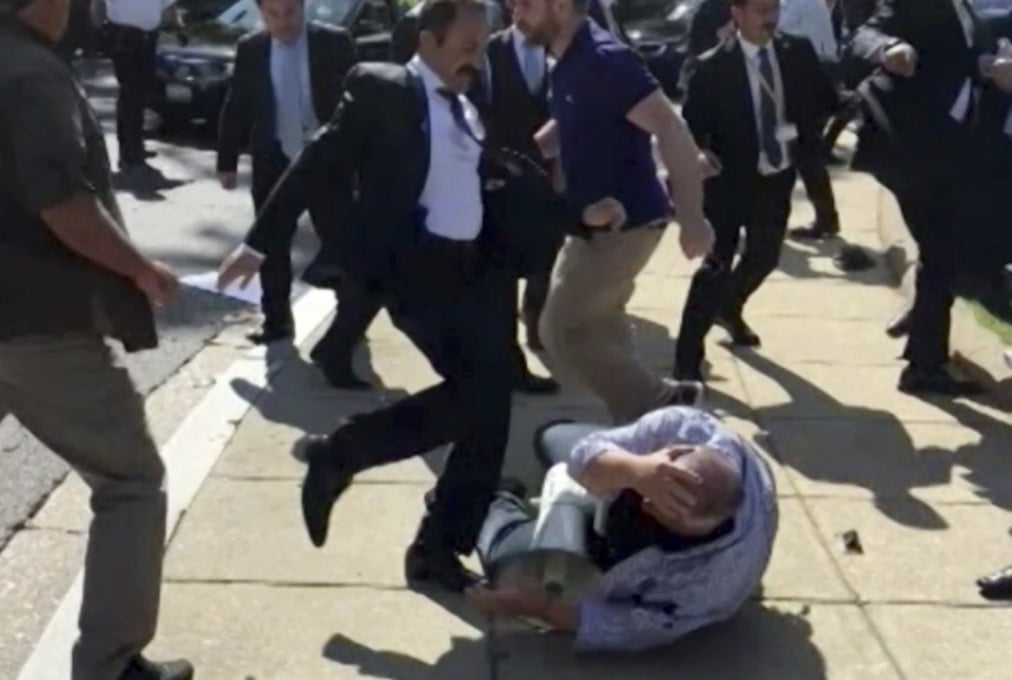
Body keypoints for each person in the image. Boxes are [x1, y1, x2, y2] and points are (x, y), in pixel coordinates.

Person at [218, 0, 522, 592]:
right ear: (428, 40)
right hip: (417, 271)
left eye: (483, 46)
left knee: (487, 408)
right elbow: (316, 160)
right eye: (467, 46)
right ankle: (352, 465)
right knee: (482, 399)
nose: (477, 58)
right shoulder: (384, 89)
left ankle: (419, 532)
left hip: (474, 275)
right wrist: (259, 242)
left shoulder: (469, 102)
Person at [0, 1, 191, 679]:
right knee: (131, 480)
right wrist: (141, 269)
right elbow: (63, 204)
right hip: (37, 326)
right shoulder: (32, 74)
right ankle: (111, 665)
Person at [514, 0, 715, 424]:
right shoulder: (567, 58)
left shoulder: (605, 59)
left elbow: (670, 126)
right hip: (591, 222)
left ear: (561, 7)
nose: (515, 11)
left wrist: (693, 217)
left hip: (626, 224)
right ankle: (641, 422)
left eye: (526, 2)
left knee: (561, 329)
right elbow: (570, 121)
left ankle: (665, 401)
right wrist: (521, 154)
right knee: (600, 325)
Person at [467, 406, 778, 652]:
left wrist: (543, 608)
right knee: (551, 437)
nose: (646, 505)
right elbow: (584, 454)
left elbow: (628, 627)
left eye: (664, 512)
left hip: (619, 560)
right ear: (675, 451)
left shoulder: (710, 585)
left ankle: (500, 502)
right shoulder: (689, 427)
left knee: (505, 558)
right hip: (619, 487)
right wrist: (637, 470)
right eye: (655, 489)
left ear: (701, 530)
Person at [849, 0, 1012, 395]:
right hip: (914, 149)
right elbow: (863, 35)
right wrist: (889, 49)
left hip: (951, 150)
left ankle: (923, 357)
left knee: (942, 255)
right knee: (943, 254)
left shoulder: (967, 10)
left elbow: (952, 60)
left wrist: (986, 66)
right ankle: (924, 363)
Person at [673, 0, 836, 382]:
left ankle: (729, 306)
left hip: (776, 176)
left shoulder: (796, 52)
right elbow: (690, 129)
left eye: (774, 9)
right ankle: (687, 360)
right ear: (737, 14)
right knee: (715, 267)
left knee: (764, 256)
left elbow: (826, 99)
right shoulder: (711, 67)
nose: (771, 19)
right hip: (728, 183)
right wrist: (700, 153)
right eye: (761, 11)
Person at [216, 0, 375, 388]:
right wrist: (227, 160)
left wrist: (363, 164)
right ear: (261, 13)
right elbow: (237, 104)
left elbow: (361, 108)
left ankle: (349, 324)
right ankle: (276, 322)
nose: (283, 22)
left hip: (328, 163)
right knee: (270, 245)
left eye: (289, 12)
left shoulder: (334, 43)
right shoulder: (252, 48)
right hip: (274, 160)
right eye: (273, 15)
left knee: (344, 246)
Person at [482, 1, 561, 390]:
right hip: (502, 184)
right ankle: (507, 361)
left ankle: (535, 321)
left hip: (550, 180)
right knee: (501, 275)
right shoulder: (488, 52)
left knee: (546, 260)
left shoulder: (564, 50)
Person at [778, 0, 842, 240]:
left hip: (808, 81)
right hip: (809, 76)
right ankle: (826, 219)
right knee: (803, 154)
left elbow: (776, 33)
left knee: (803, 153)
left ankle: (825, 220)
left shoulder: (799, 4)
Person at [98, 0, 179, 173]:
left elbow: (169, 9)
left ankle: (135, 144)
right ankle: (129, 150)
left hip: (147, 38)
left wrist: (176, 27)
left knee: (140, 93)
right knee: (131, 91)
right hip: (124, 37)